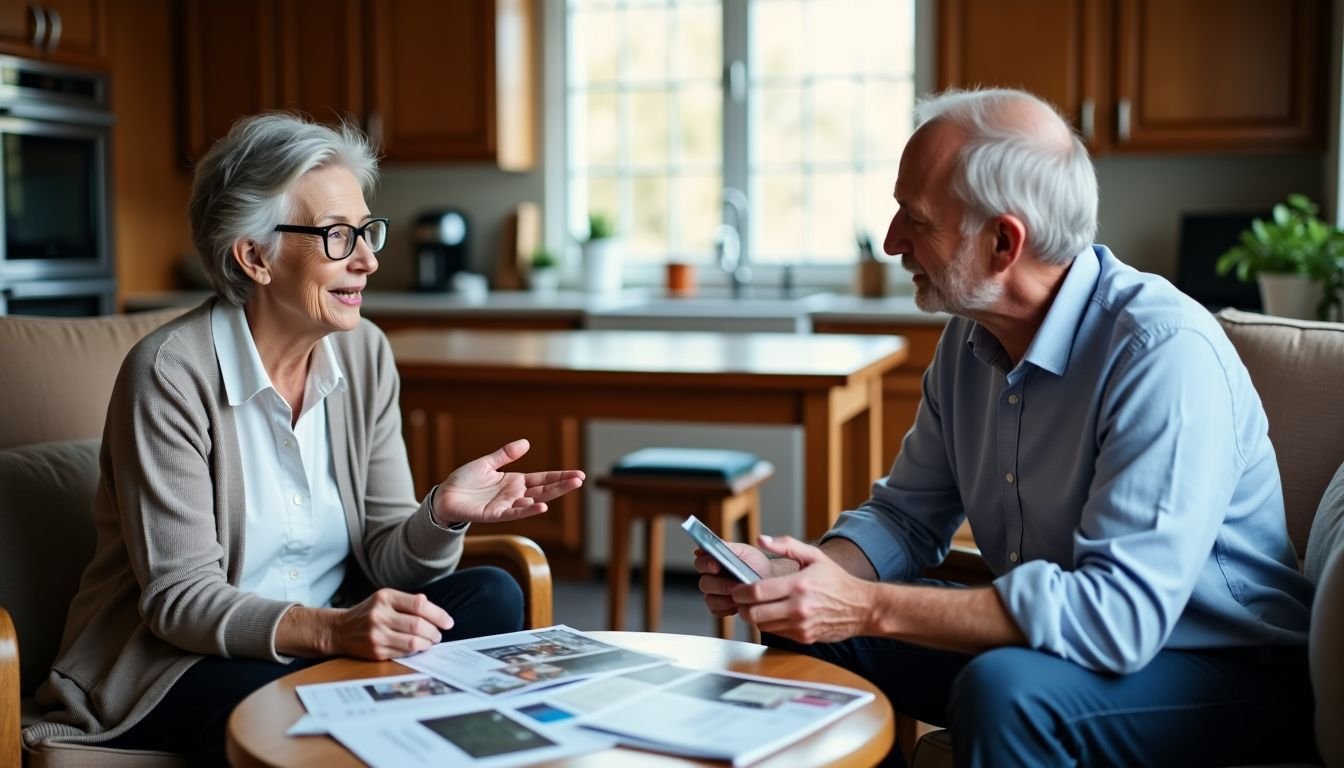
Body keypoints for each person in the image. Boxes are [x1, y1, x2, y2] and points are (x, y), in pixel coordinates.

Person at [696, 88, 1318, 766]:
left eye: (915, 218)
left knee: (1007, 691)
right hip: (1061, 644)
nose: (891, 240)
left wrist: (867, 606)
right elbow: (905, 519)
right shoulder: (968, 343)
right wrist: (804, 579)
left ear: (1003, 241)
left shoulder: (1161, 353)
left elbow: (1118, 619)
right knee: (807, 631)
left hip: (1223, 670)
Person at [23, 113, 585, 765]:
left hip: (329, 625)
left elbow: (386, 561)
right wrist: (334, 632)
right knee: (271, 699)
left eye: (367, 230)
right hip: (181, 661)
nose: (370, 259)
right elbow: (179, 603)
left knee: (492, 594)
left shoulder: (366, 354)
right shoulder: (171, 373)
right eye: (339, 236)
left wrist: (439, 515)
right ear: (255, 256)